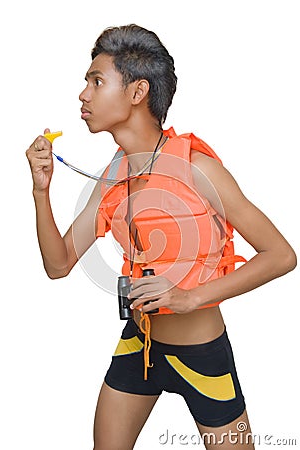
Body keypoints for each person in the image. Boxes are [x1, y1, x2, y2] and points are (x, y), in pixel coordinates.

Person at [26, 24, 297, 450]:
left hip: (201, 354)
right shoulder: (112, 175)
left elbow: (281, 255)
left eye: (96, 81)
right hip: (140, 345)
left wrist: (189, 297)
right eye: (86, 83)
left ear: (137, 92)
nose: (83, 94)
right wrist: (42, 191)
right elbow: (58, 265)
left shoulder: (198, 169)